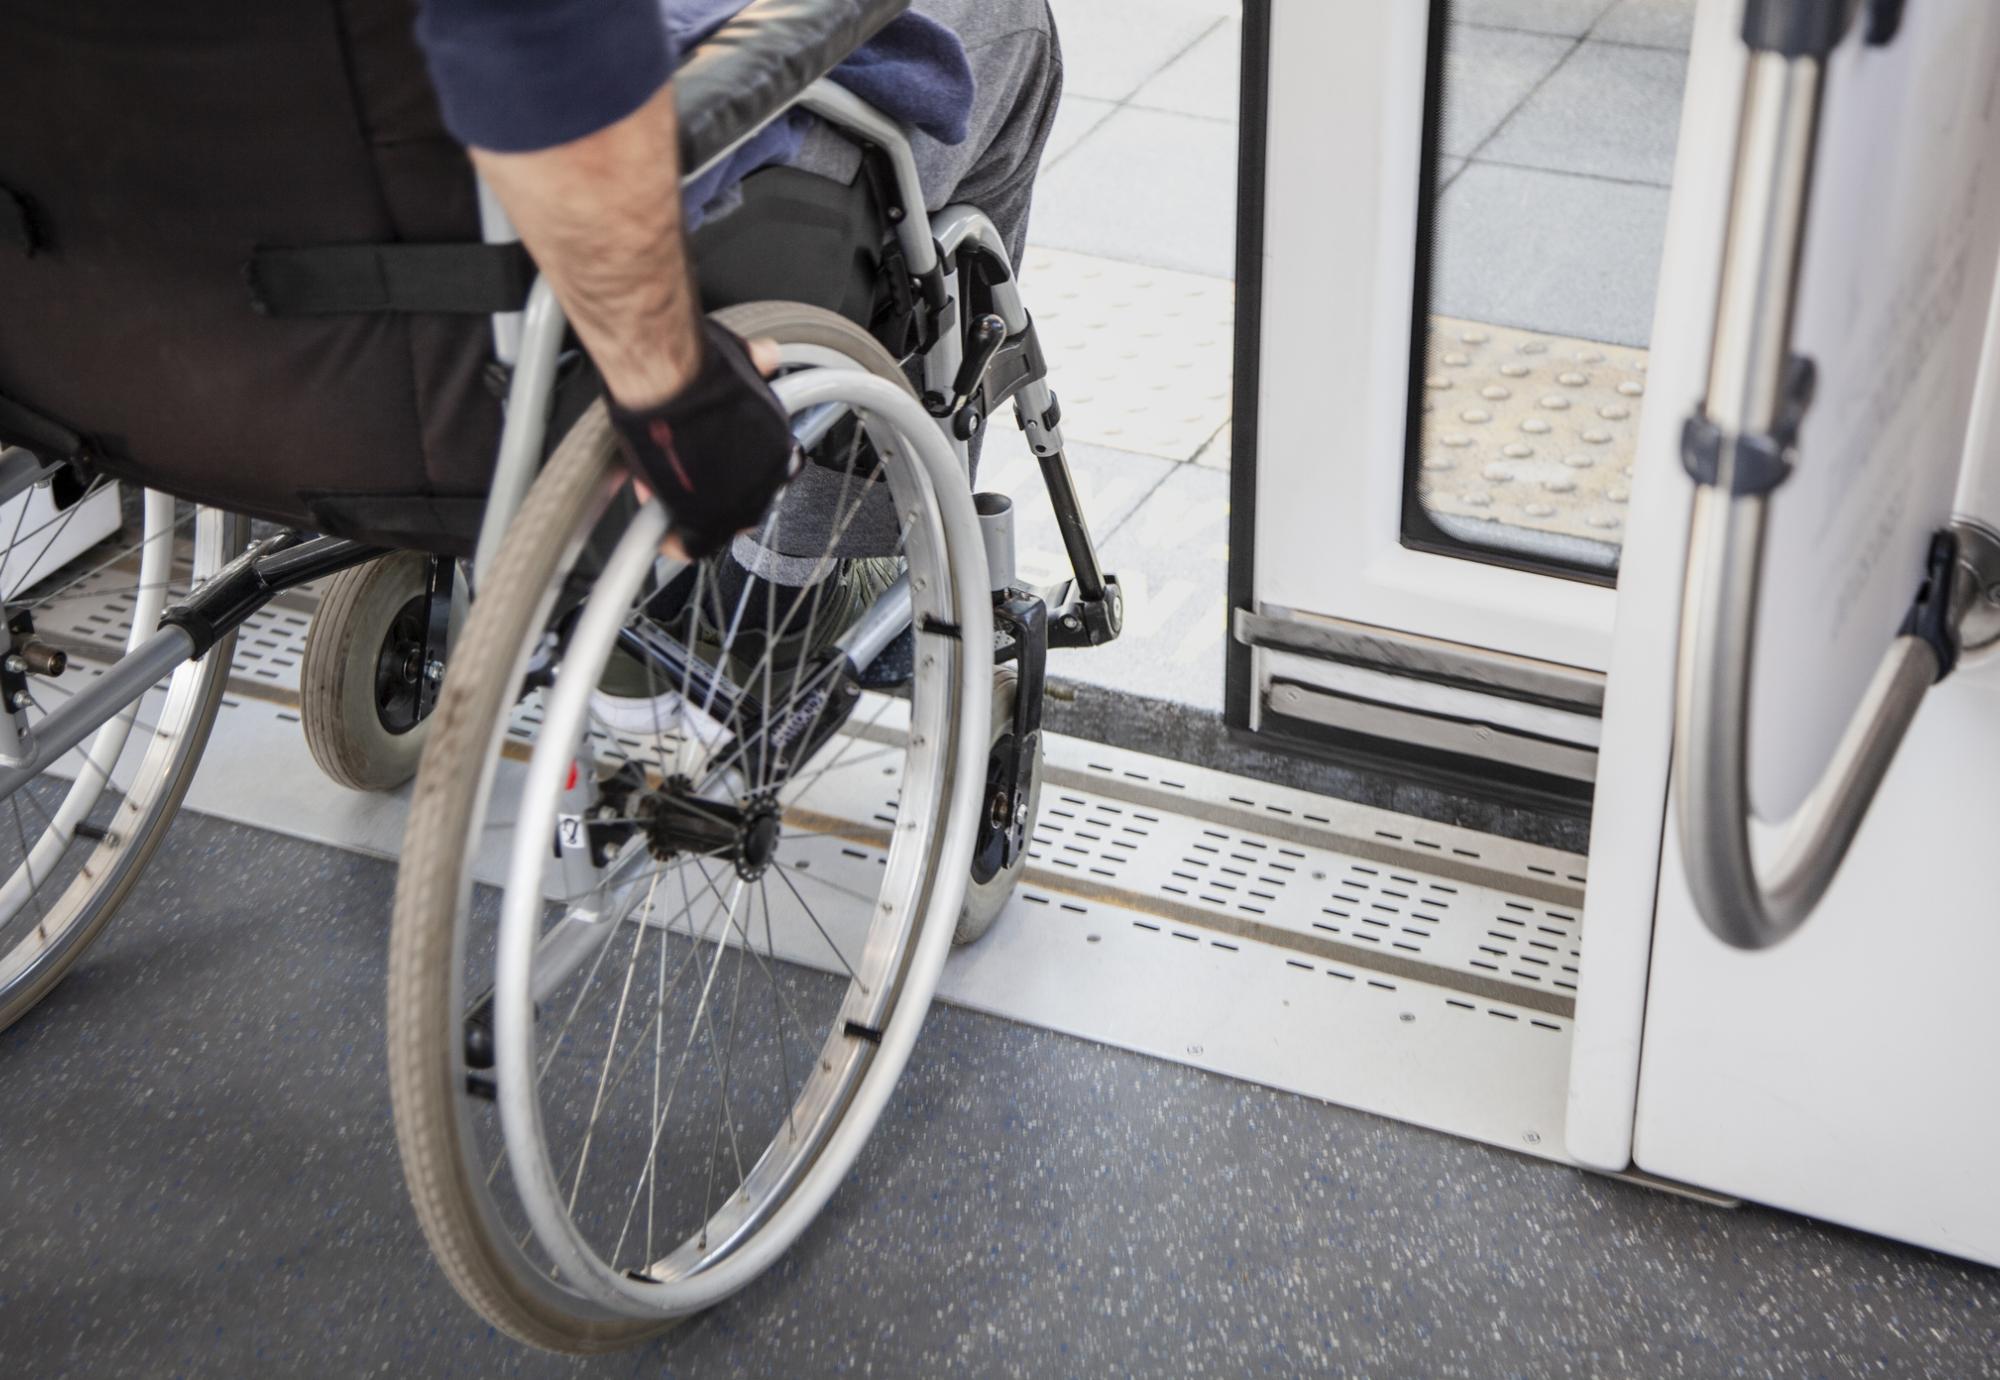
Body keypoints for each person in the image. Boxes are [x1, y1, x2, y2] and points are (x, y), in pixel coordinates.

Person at [414, 0, 1063, 575]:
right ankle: (794, 574)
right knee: (1009, 16)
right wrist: (670, 388)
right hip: (634, 197)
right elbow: (530, 48)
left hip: (358, 343)